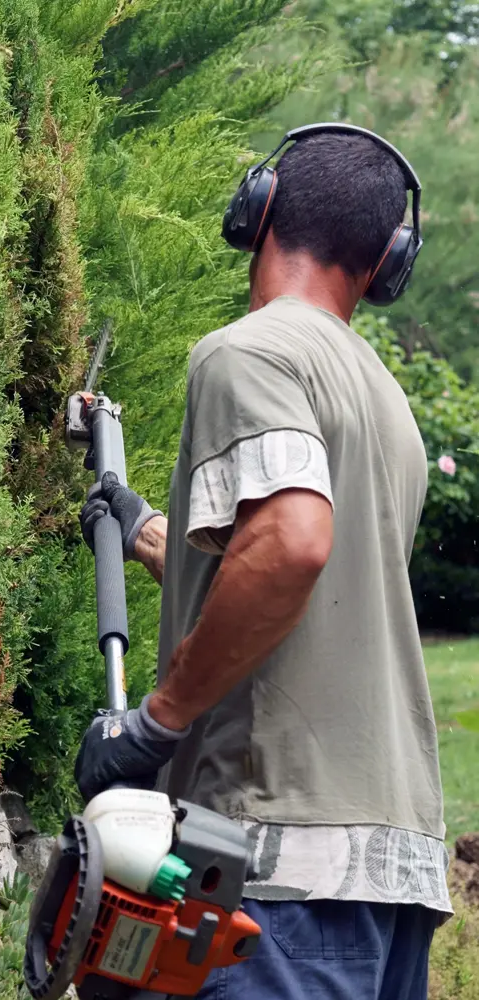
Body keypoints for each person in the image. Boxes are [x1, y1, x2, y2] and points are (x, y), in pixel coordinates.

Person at [77, 127, 452, 1000]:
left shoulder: (248, 351)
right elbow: (305, 588)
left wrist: (154, 725)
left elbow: (289, 547)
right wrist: (145, 532)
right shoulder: (385, 401)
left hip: (276, 871)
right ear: (386, 259)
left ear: (259, 206)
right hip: (386, 879)